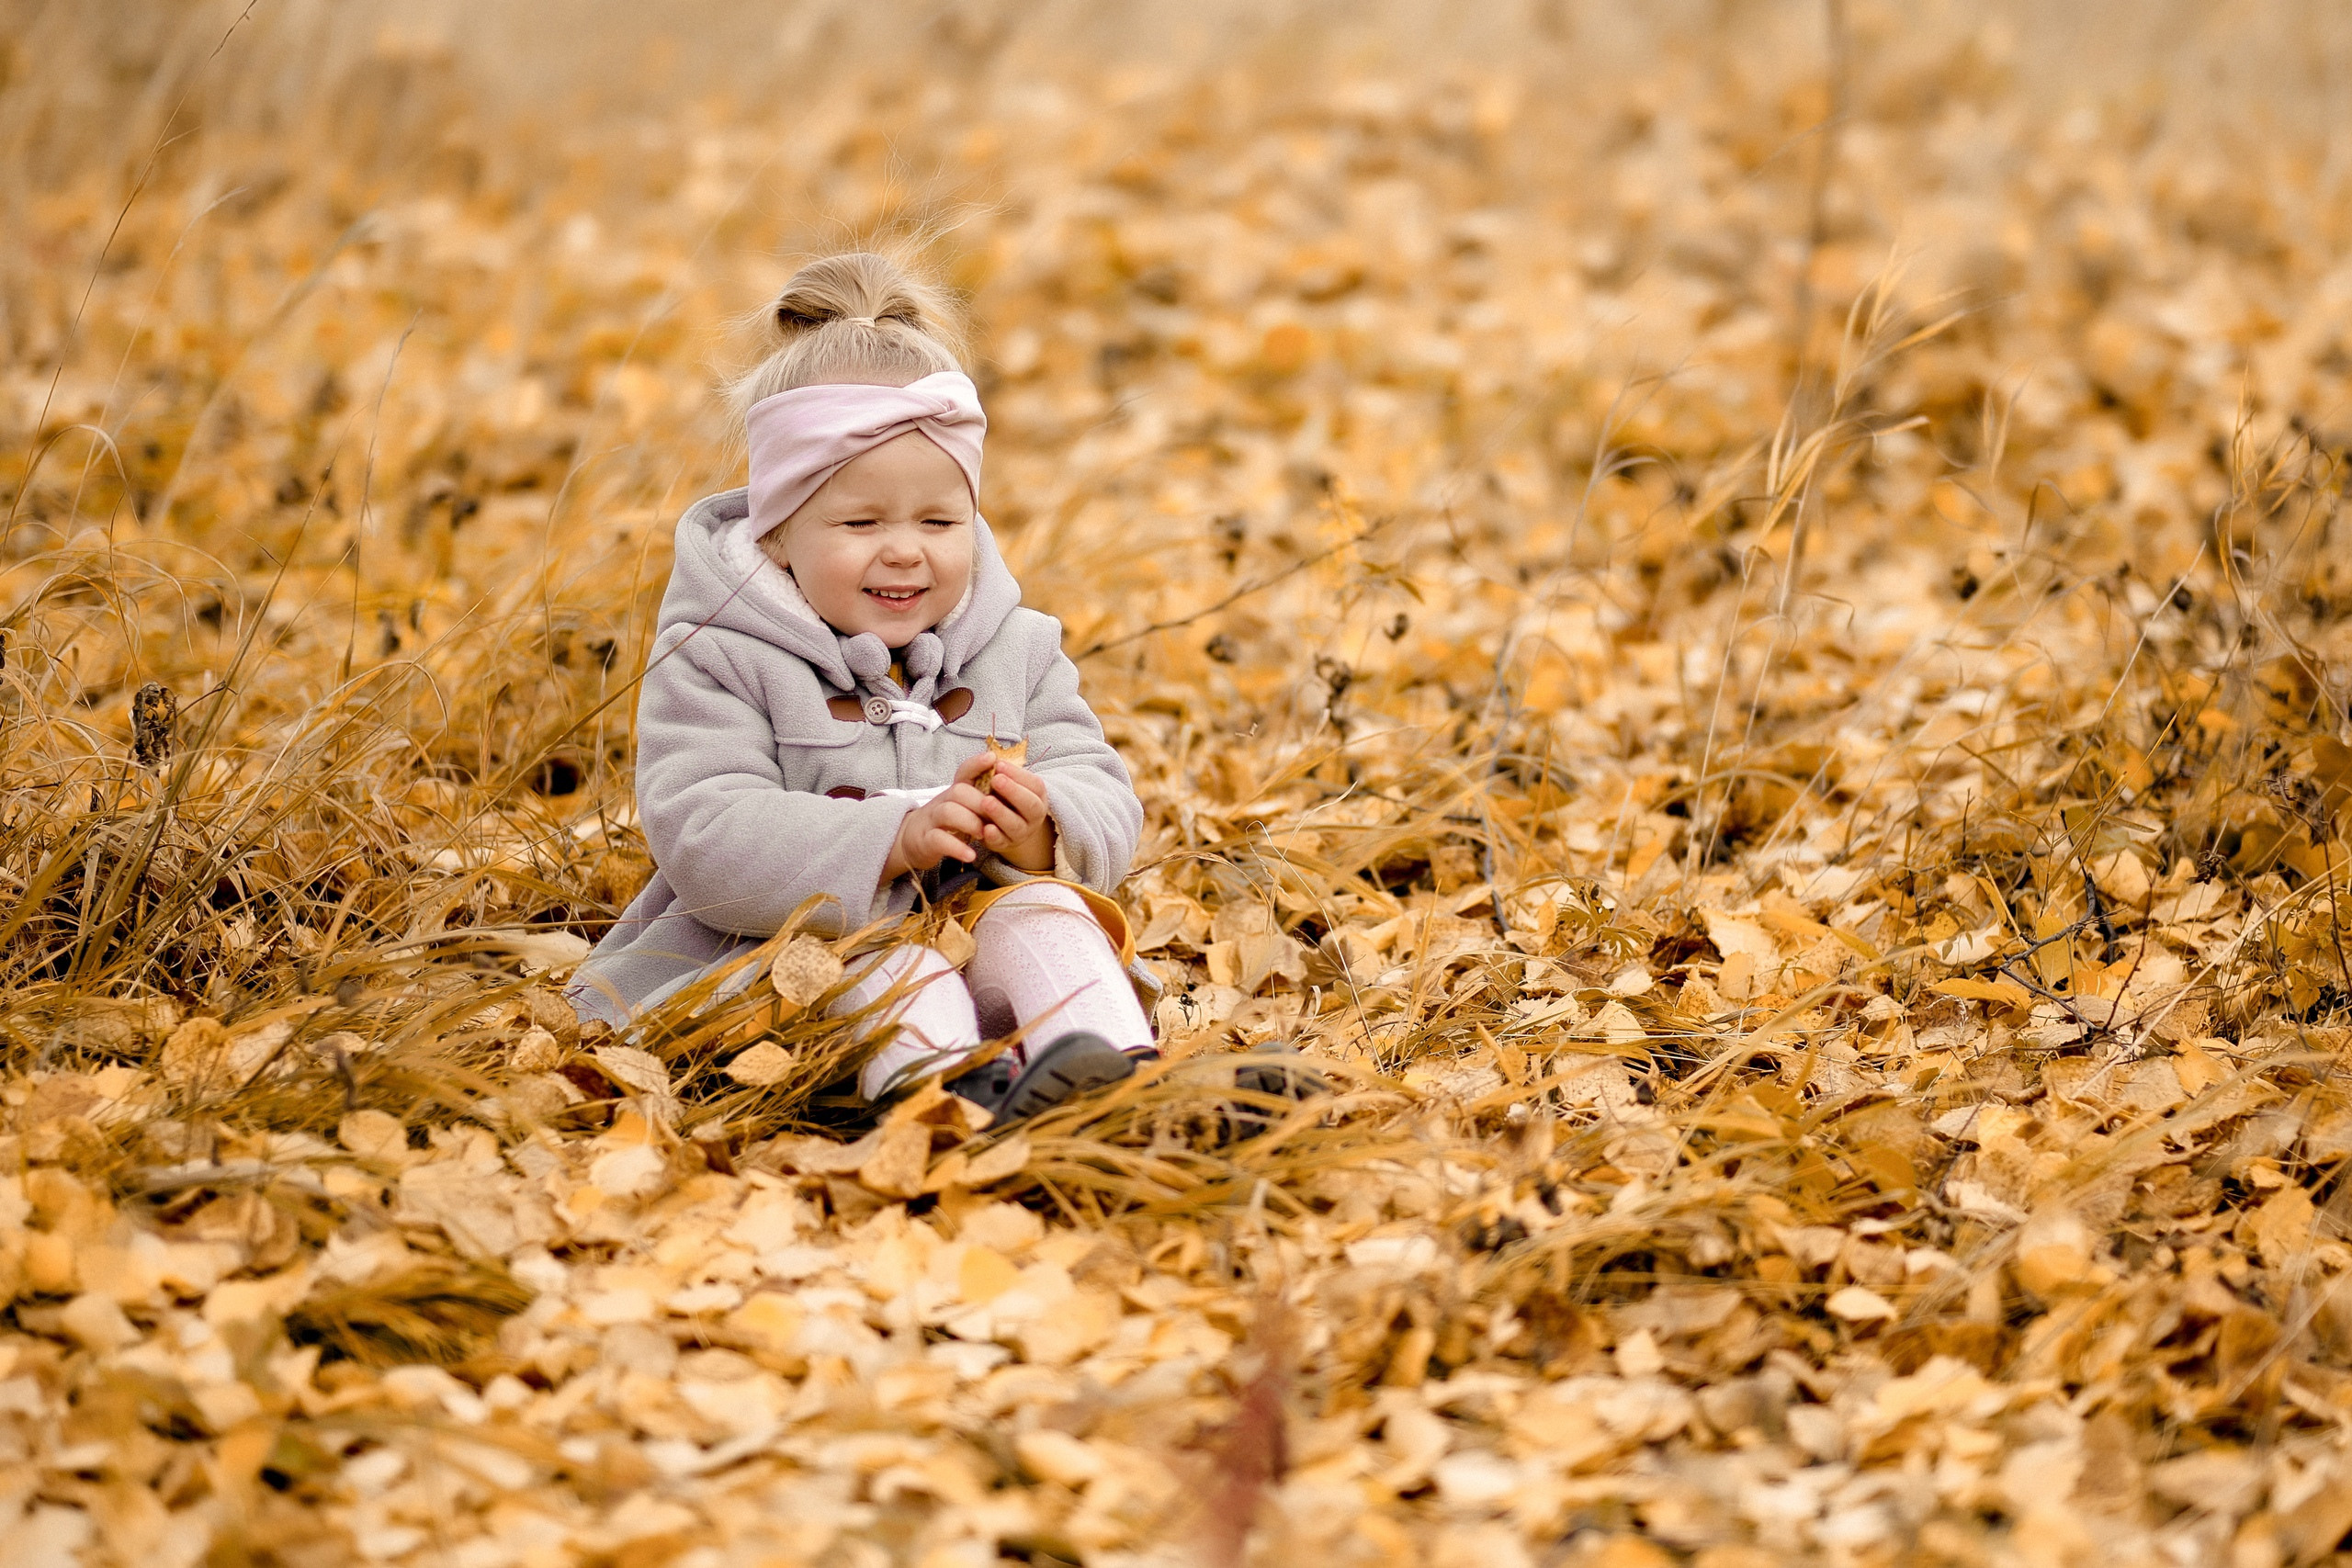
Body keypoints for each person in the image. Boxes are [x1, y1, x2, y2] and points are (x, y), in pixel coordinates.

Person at [567, 252, 1154, 1121]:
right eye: (861, 521)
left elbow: (1102, 785)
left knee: (1048, 916)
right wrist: (894, 837)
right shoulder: (721, 651)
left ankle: (1121, 1077)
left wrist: (1040, 829)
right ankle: (948, 1107)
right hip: (782, 965)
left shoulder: (1015, 645)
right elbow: (705, 832)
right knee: (892, 961)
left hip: (980, 943)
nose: (906, 549)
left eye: (939, 520)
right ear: (778, 535)